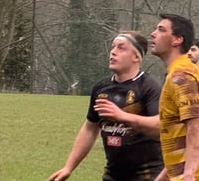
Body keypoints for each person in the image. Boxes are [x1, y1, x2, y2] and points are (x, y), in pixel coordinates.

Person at [48, 31, 162, 181]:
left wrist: (123, 116)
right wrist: (69, 167)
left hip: (148, 174)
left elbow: (161, 126)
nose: (113, 52)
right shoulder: (101, 88)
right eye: (113, 47)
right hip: (112, 174)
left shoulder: (150, 87)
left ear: (136, 56)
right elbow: (90, 128)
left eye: (121, 48)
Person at [150, 14, 199, 180]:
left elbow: (196, 125)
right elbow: (181, 136)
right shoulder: (182, 72)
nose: (153, 34)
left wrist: (189, 173)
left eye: (161, 30)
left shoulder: (181, 76)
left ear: (177, 40)